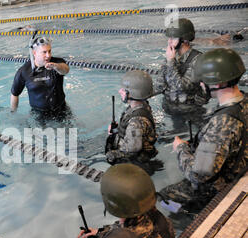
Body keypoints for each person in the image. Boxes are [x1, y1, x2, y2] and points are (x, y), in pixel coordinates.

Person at [159, 48, 247, 214]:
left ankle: (191, 215)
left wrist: (180, 149)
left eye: (203, 81)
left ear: (218, 84)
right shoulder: (245, 101)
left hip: (221, 186)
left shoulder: (222, 124)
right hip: (239, 166)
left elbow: (198, 176)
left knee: (164, 198)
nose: (200, 84)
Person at [154, 18, 209, 125]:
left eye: (173, 38)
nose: (169, 41)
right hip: (171, 111)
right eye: (169, 37)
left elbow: (182, 86)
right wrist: (136, 96)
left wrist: (170, 62)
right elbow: (159, 86)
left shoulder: (197, 59)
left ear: (184, 39)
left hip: (191, 113)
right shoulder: (171, 56)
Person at [10, 37, 71, 124]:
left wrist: (55, 66)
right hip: (39, 114)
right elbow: (15, 93)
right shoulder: (24, 71)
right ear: (34, 53)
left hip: (61, 109)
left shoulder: (57, 63)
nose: (48, 55)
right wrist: (13, 114)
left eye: (49, 51)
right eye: (44, 52)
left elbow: (65, 70)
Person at [105, 70, 158, 166]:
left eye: (124, 90)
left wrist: (110, 153)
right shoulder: (142, 106)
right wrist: (116, 130)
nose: (120, 91)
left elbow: (131, 151)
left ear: (133, 94)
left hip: (135, 162)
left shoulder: (136, 123)